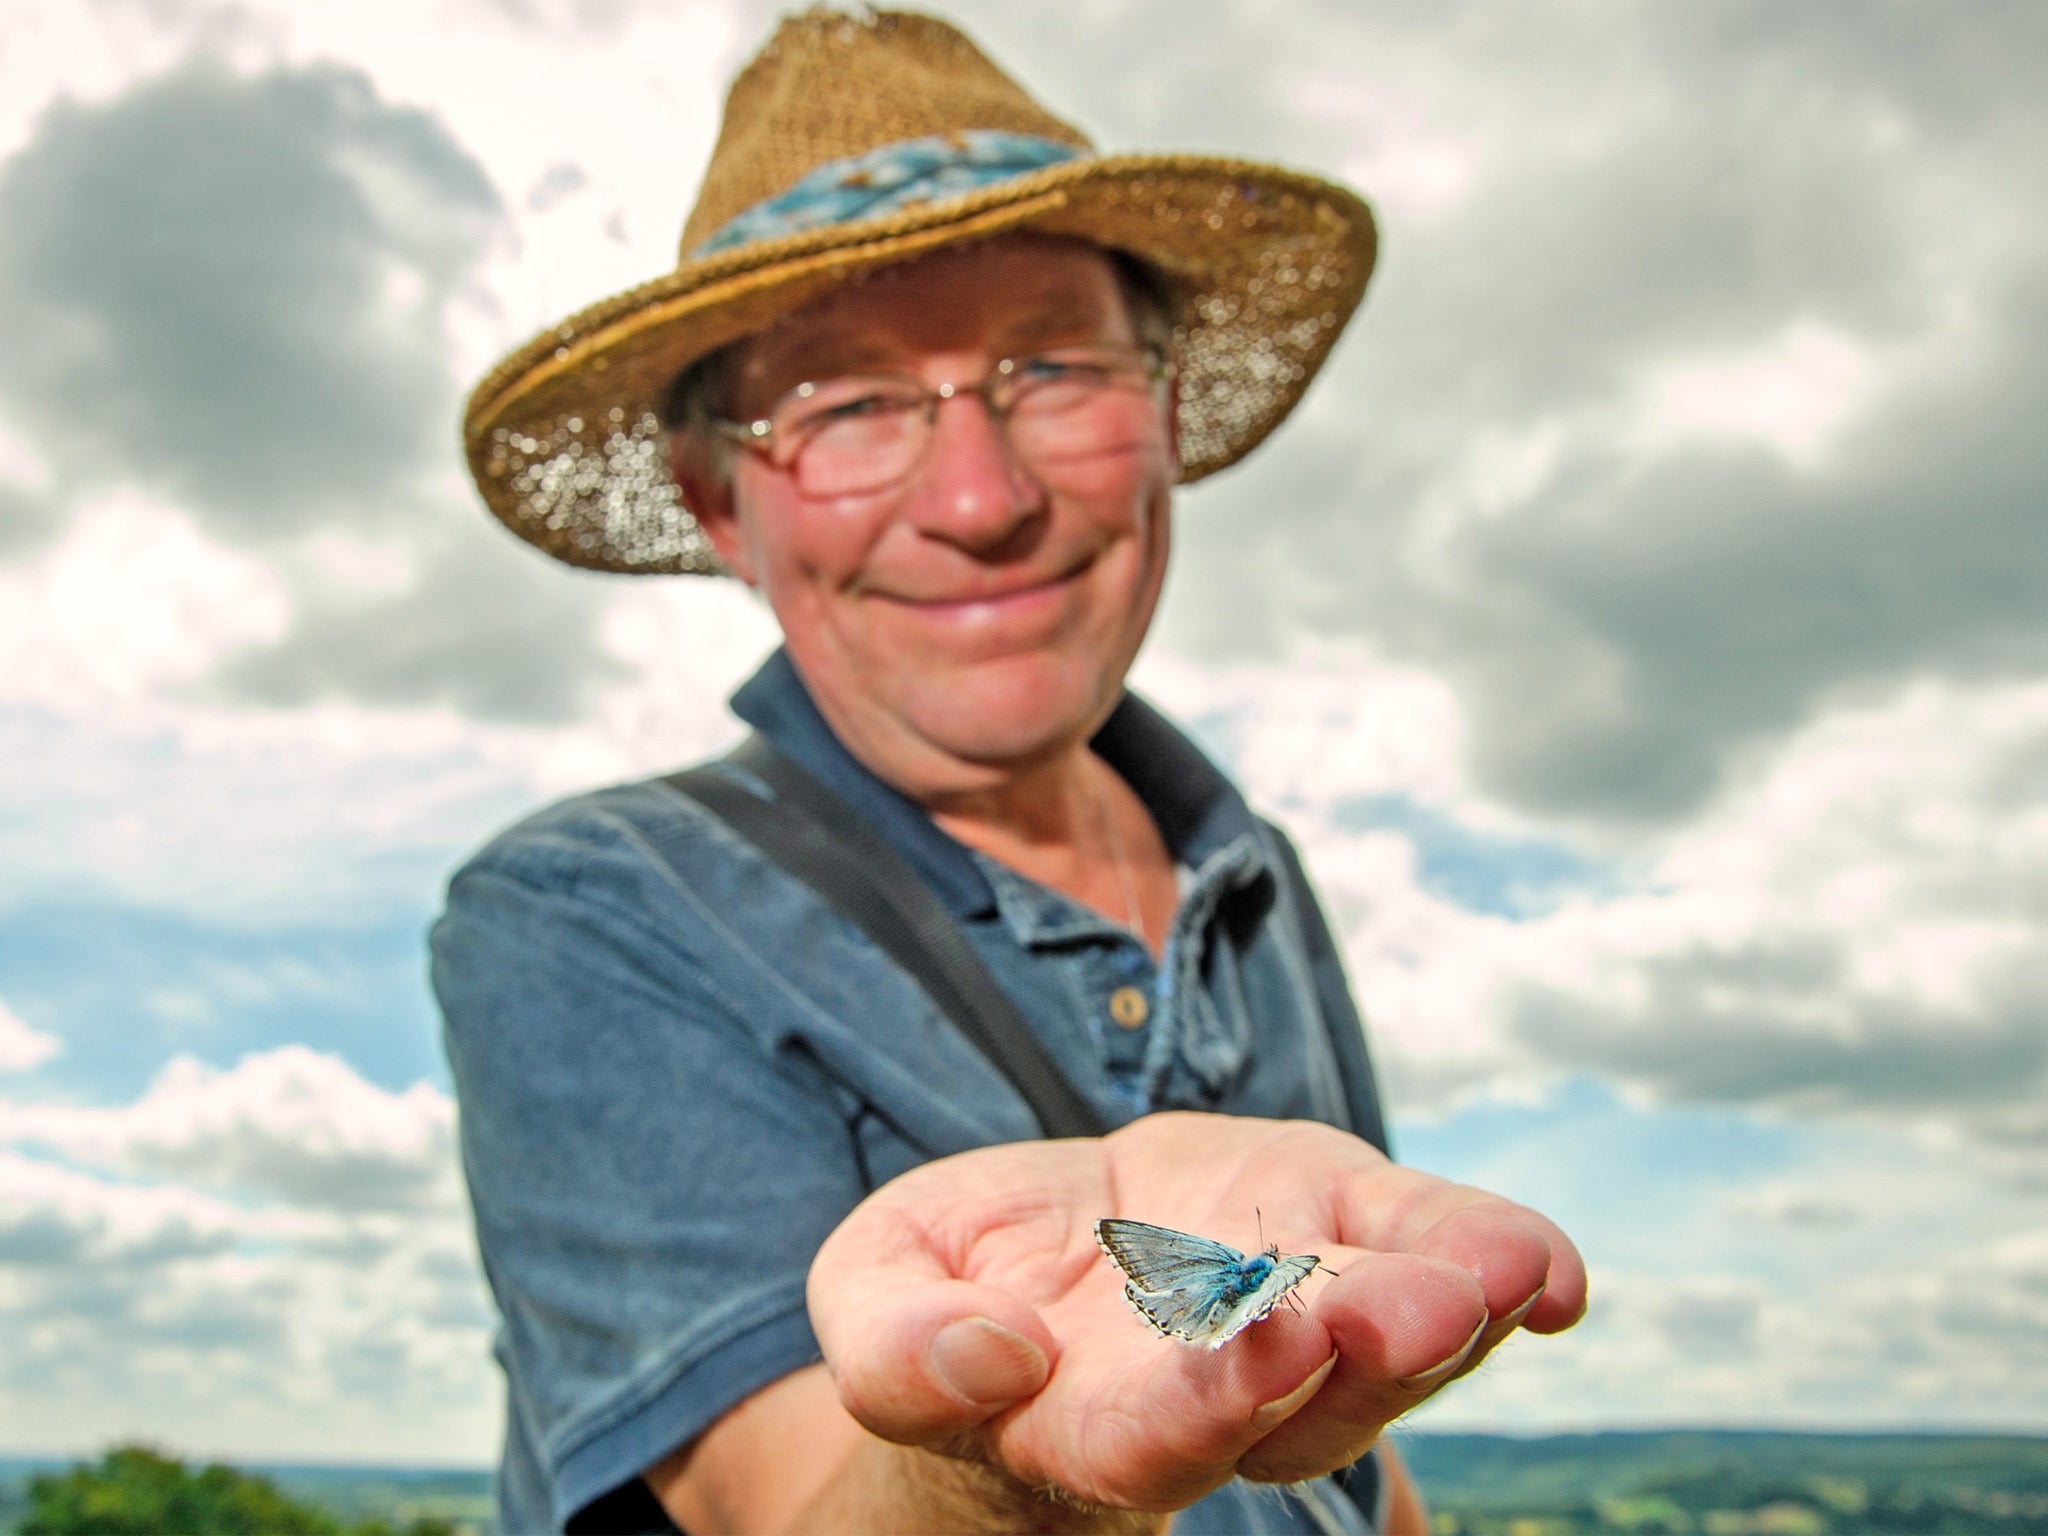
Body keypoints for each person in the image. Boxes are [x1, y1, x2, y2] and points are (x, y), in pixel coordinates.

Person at [433, 9, 1586, 1534]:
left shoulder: (1253, 873)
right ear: (722, 507)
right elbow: (778, 1510)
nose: (980, 499)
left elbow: (1359, 1470)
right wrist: (995, 1460)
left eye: (1054, 366)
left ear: (1165, 412)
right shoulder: (585, 915)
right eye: (843, 406)